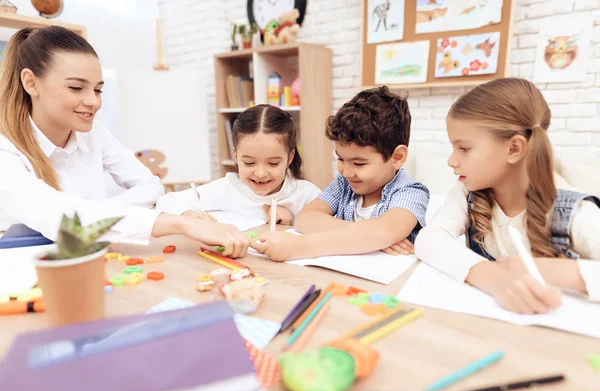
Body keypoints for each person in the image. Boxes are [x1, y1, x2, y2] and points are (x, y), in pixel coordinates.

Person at [0, 26, 249, 257]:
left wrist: (100, 212)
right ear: (31, 83)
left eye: (98, 90)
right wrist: (178, 223)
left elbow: (150, 185)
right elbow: (69, 223)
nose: (93, 102)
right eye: (76, 88)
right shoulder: (5, 150)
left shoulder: (92, 132)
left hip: (93, 258)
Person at [415, 78, 600, 313]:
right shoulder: (467, 192)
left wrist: (543, 269)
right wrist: (492, 277)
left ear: (514, 149)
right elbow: (429, 239)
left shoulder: (576, 212)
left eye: (464, 148)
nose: (452, 161)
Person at [253, 86, 430, 261]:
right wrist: (368, 236)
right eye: (341, 159)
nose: (345, 171)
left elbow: (384, 231)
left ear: (397, 157)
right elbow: (305, 218)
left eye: (359, 163)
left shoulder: (411, 192)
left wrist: (300, 246)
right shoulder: (344, 184)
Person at [156, 104, 321, 225]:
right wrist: (188, 214)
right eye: (249, 162)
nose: (261, 173)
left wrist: (294, 222)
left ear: (290, 158)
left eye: (273, 163)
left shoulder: (306, 195)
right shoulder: (228, 188)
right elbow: (166, 201)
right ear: (235, 155)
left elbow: (332, 229)